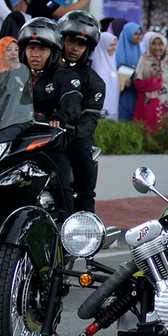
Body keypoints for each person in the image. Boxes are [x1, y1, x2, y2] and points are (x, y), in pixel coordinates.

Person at [18, 17, 82, 217]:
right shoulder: (16, 76)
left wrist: (59, 117)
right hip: (17, 140)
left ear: (53, 52)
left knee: (61, 183)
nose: (35, 54)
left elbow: (71, 104)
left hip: (49, 142)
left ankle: (67, 231)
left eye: (41, 50)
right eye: (31, 49)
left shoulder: (65, 77)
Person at [58, 11, 105, 214]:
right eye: (70, 41)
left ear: (88, 48)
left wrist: (72, 132)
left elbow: (89, 120)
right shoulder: (47, 72)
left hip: (73, 136)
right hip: (42, 133)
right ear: (61, 40)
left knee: (84, 162)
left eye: (81, 44)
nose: (75, 48)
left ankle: (84, 224)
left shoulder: (94, 82)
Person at [133, 32, 168, 133]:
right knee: (147, 131)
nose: (157, 47)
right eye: (154, 44)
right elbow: (137, 83)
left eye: (160, 44)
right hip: (148, 103)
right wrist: (153, 83)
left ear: (165, 45)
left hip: (165, 102)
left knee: (162, 133)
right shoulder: (144, 60)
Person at [116, 22, 142, 121]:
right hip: (123, 92)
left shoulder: (140, 50)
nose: (138, 37)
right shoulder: (118, 51)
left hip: (136, 91)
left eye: (140, 34)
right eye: (135, 34)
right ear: (128, 34)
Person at [91, 31, 119, 120]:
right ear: (103, 45)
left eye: (115, 45)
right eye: (111, 45)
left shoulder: (112, 62)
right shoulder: (98, 66)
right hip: (101, 108)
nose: (114, 48)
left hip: (113, 107)